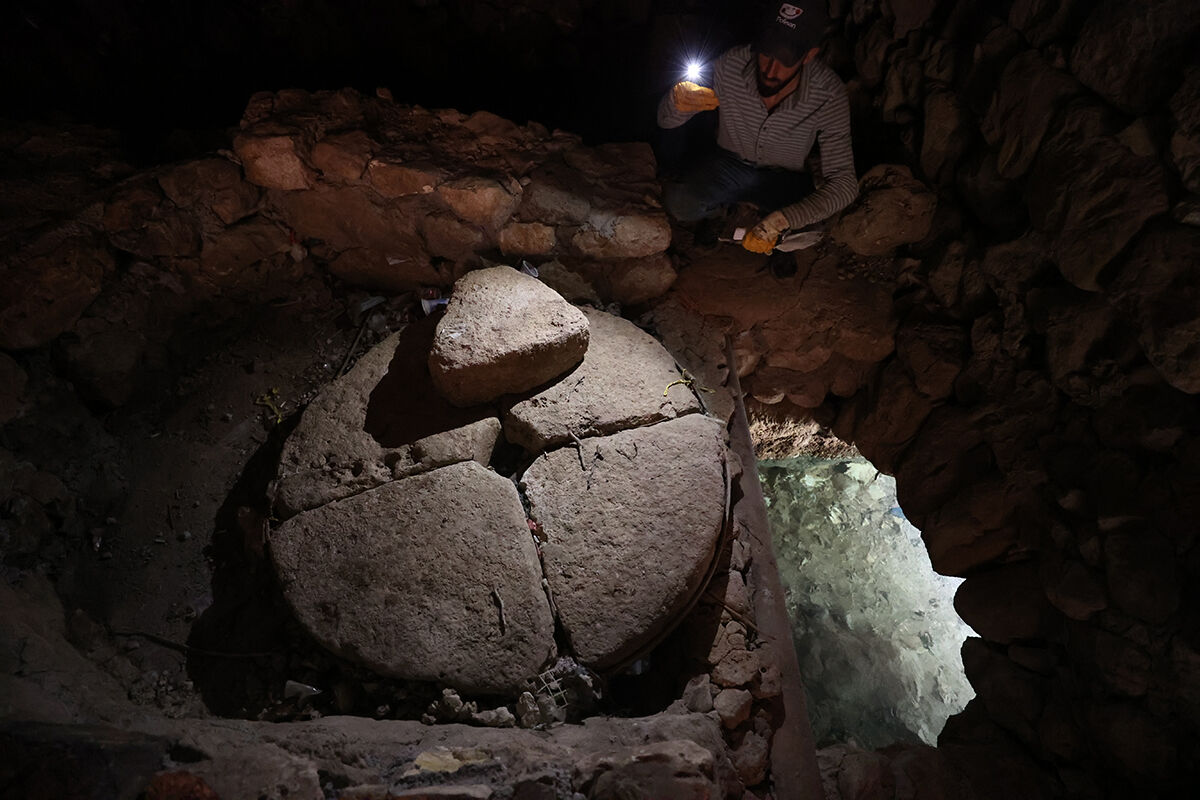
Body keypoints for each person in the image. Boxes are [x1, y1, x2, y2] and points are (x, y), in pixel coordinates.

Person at [657, 2, 858, 259]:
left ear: (809, 55)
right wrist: (675, 102)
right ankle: (722, 212)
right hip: (730, 165)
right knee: (679, 202)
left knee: (813, 224)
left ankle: (779, 243)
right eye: (767, 51)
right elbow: (665, 121)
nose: (770, 69)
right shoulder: (730, 65)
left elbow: (845, 184)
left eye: (786, 58)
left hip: (784, 178)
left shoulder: (828, 93)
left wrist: (782, 220)